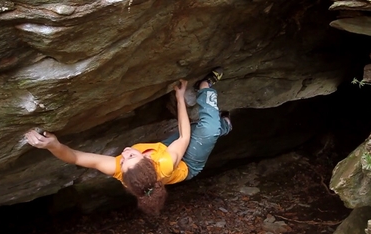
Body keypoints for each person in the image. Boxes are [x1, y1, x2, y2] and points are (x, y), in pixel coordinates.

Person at [25, 67, 232, 215]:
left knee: (199, 131)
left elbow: (77, 157)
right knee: (208, 130)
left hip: (169, 149)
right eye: (130, 155)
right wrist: (180, 98)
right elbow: (184, 137)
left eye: (124, 160)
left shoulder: (120, 171)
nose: (124, 153)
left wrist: (53, 145)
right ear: (149, 161)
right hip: (189, 163)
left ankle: (223, 126)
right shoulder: (165, 164)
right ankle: (206, 88)